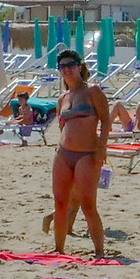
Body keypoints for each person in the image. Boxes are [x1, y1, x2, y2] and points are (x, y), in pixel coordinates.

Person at [45, 51, 111, 259]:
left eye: (70, 64)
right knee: (60, 202)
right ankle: (59, 248)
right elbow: (63, 125)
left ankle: (99, 251)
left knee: (87, 203)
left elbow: (106, 120)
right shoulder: (62, 97)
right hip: (64, 153)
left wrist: (102, 147)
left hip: (87, 153)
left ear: (79, 66)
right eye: (62, 66)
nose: (66, 69)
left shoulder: (92, 91)